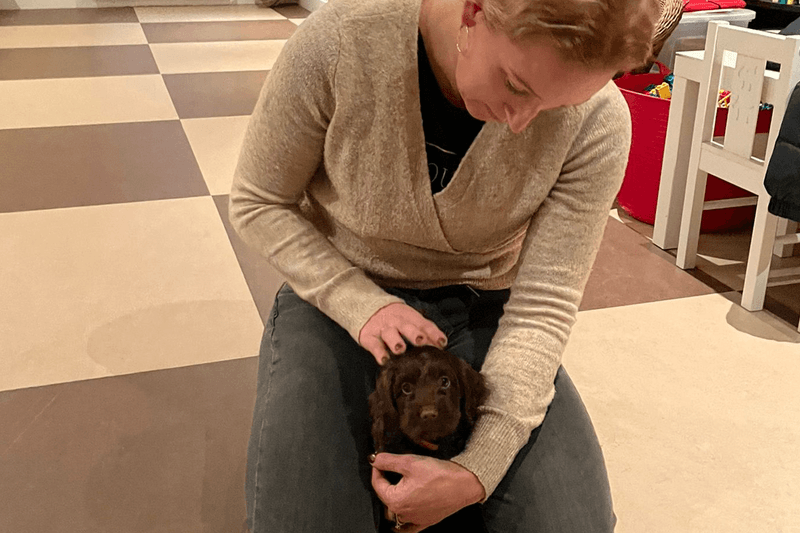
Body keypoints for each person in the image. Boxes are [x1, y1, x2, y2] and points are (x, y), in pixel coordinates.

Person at [229, 0, 659, 531]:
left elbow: (542, 308)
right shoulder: (340, 43)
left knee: (571, 525)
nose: (522, 123)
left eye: (557, 106)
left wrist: (477, 471)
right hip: (335, 298)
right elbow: (258, 200)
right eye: (516, 85)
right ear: (473, 10)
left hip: (485, 306)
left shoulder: (600, 121)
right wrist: (359, 303)